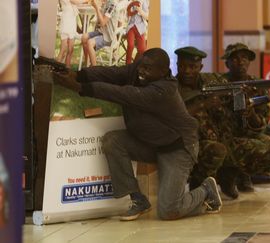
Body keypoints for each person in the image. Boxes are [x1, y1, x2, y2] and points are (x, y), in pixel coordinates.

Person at [53, 48, 222, 221]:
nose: (141, 71)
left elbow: (123, 94)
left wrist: (80, 87)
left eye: (148, 69)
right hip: (151, 143)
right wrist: (78, 74)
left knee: (169, 210)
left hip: (178, 147)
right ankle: (138, 200)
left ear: (163, 72)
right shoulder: (137, 70)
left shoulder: (164, 90)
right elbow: (110, 73)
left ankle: (206, 190)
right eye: (141, 66)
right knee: (113, 141)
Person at [215, 43, 270, 199]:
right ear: (227, 63)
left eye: (244, 58)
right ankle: (227, 175)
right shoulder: (219, 84)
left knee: (269, 144)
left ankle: (244, 173)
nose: (240, 62)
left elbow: (262, 123)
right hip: (225, 136)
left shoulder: (258, 86)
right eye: (234, 59)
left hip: (248, 133)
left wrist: (251, 112)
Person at [174, 46, 228, 190]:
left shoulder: (210, 82)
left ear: (200, 67)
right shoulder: (171, 87)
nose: (187, 71)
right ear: (177, 65)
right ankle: (198, 188)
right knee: (217, 150)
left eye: (192, 67)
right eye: (182, 66)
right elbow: (174, 117)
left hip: (213, 138)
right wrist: (203, 104)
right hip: (184, 144)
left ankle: (230, 177)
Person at [81, 0, 118, 66]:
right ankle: (88, 64)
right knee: (84, 37)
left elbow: (103, 23)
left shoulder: (112, 5)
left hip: (109, 36)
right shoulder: (105, 3)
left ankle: (94, 70)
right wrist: (97, 7)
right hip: (101, 31)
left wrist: (97, 8)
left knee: (90, 43)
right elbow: (100, 22)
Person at [57, 0, 88, 68]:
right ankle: (55, 69)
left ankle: (67, 68)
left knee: (70, 49)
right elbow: (75, 1)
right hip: (67, 22)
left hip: (71, 21)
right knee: (63, 49)